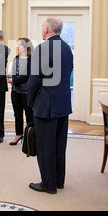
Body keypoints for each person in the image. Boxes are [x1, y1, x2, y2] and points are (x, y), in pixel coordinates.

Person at [27, 17, 74, 194]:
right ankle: (59, 180)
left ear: (46, 29)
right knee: (59, 145)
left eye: (42, 26)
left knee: (45, 145)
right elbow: (68, 73)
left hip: (46, 105)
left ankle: (48, 183)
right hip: (63, 104)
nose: (41, 29)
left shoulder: (43, 48)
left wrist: (30, 102)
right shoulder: (67, 48)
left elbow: (35, 79)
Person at [7, 38, 34, 146]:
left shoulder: (31, 59)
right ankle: (18, 135)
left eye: (20, 45)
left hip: (26, 92)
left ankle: (30, 136)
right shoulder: (16, 58)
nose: (18, 47)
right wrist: (10, 78)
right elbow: (13, 72)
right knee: (17, 114)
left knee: (29, 116)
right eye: (17, 44)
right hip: (15, 91)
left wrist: (14, 80)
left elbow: (28, 76)